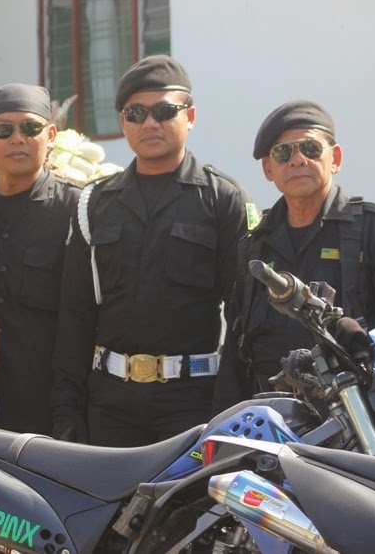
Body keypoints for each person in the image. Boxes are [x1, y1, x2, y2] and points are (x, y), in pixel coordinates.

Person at [51, 55, 253, 447]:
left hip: (192, 403)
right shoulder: (95, 203)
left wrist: (228, 407)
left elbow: (242, 317)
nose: (149, 123)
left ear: (189, 116)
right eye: (136, 113)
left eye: (163, 111)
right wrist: (67, 409)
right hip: (111, 404)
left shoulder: (222, 199)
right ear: (123, 121)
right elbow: (76, 315)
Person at [215, 100, 375, 410]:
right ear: (269, 169)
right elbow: (236, 353)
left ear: (335, 158)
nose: (298, 160)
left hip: (358, 421)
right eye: (283, 153)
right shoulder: (254, 244)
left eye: (310, 148)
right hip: (274, 420)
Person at [0, 83, 79, 434]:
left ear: (51, 135)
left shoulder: (78, 210)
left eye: (30, 128)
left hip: (54, 408)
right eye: (2, 130)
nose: (17, 139)